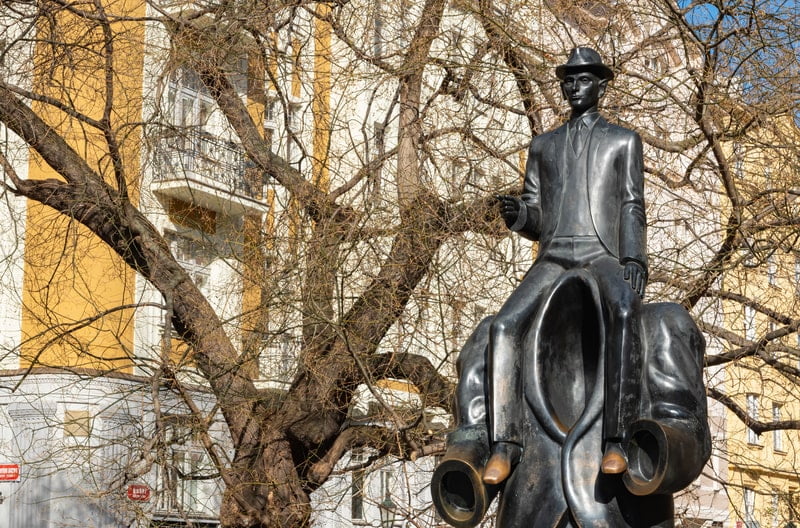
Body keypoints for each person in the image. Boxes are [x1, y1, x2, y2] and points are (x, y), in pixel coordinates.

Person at [484, 47, 647, 485]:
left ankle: (616, 439)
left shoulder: (623, 141)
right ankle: (505, 444)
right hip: (554, 256)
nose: (574, 87)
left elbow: (632, 204)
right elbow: (536, 213)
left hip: (602, 254)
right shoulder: (544, 145)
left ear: (601, 85)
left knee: (626, 313)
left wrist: (634, 258)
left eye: (584, 80)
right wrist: (518, 216)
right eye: (568, 81)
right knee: (503, 326)